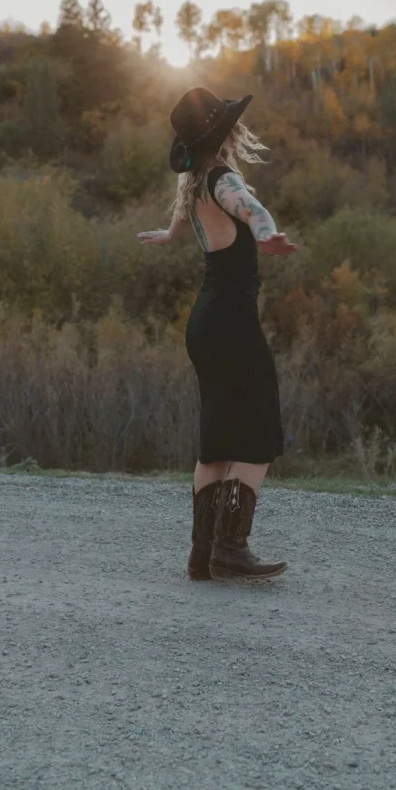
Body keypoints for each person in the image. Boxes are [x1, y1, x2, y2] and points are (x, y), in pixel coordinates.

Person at [137, 87, 297, 580]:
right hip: (230, 320)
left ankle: (202, 556)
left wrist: (169, 235)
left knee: (217, 441)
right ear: (226, 134)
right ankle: (230, 549)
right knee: (259, 432)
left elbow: (187, 215)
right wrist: (266, 233)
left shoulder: (195, 182)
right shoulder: (222, 179)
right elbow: (249, 207)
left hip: (205, 321)